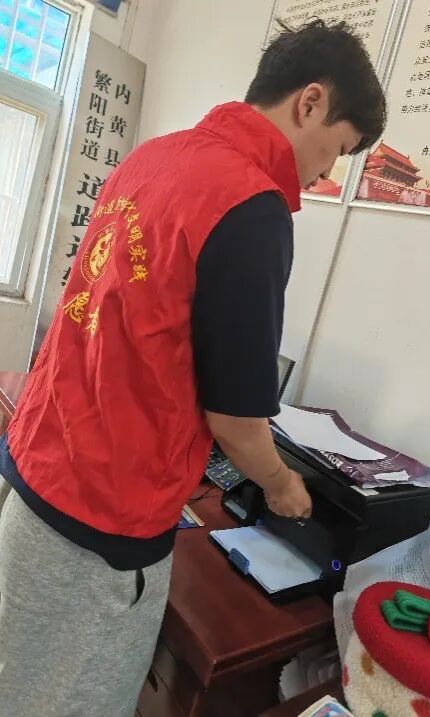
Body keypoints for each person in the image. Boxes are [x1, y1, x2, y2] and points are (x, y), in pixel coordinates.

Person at [0, 19, 385, 716]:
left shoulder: (152, 158)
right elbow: (236, 420)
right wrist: (283, 487)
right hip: (104, 525)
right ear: (311, 102)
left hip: (36, 475)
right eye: (337, 150)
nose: (326, 173)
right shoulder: (253, 206)